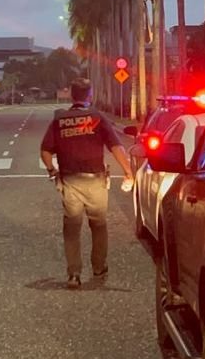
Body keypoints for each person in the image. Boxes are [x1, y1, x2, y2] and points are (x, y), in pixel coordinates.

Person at [40, 78, 134, 290]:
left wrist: (52, 171)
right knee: (98, 225)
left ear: (72, 95)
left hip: (70, 181)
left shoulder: (59, 120)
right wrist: (128, 172)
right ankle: (99, 268)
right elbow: (116, 147)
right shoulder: (97, 117)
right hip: (95, 181)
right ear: (89, 95)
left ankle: (74, 274)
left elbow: (45, 150)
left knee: (71, 229)